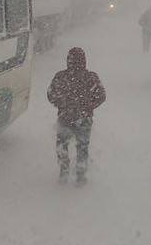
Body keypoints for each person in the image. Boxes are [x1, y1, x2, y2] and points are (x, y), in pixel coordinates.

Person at [46, 47, 107, 185]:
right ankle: (80, 175)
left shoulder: (60, 76)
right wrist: (88, 107)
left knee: (62, 145)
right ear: (84, 60)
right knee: (83, 147)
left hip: (64, 118)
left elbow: (50, 94)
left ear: (68, 60)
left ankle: (64, 172)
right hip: (84, 119)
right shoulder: (91, 77)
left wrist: (62, 105)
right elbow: (102, 96)